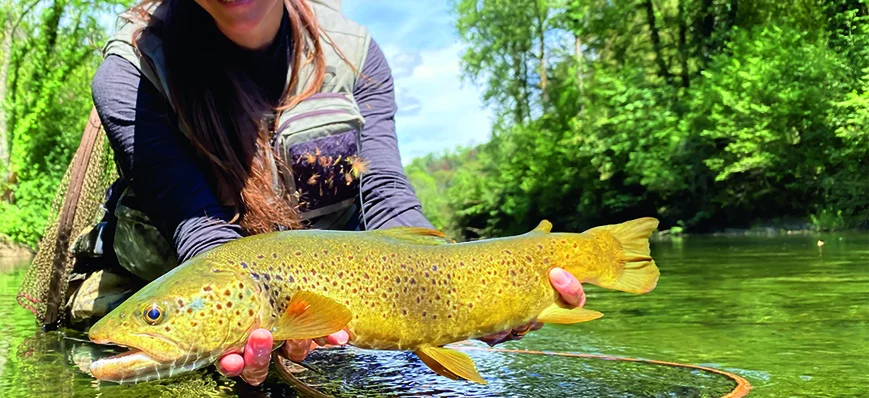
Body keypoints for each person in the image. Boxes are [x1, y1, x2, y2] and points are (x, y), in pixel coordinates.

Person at [80, 0, 587, 386]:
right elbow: (195, 222)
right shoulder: (130, 73)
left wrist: (476, 300)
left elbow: (386, 196)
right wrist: (247, 325)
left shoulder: (354, 52)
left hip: (325, 284)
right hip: (190, 270)